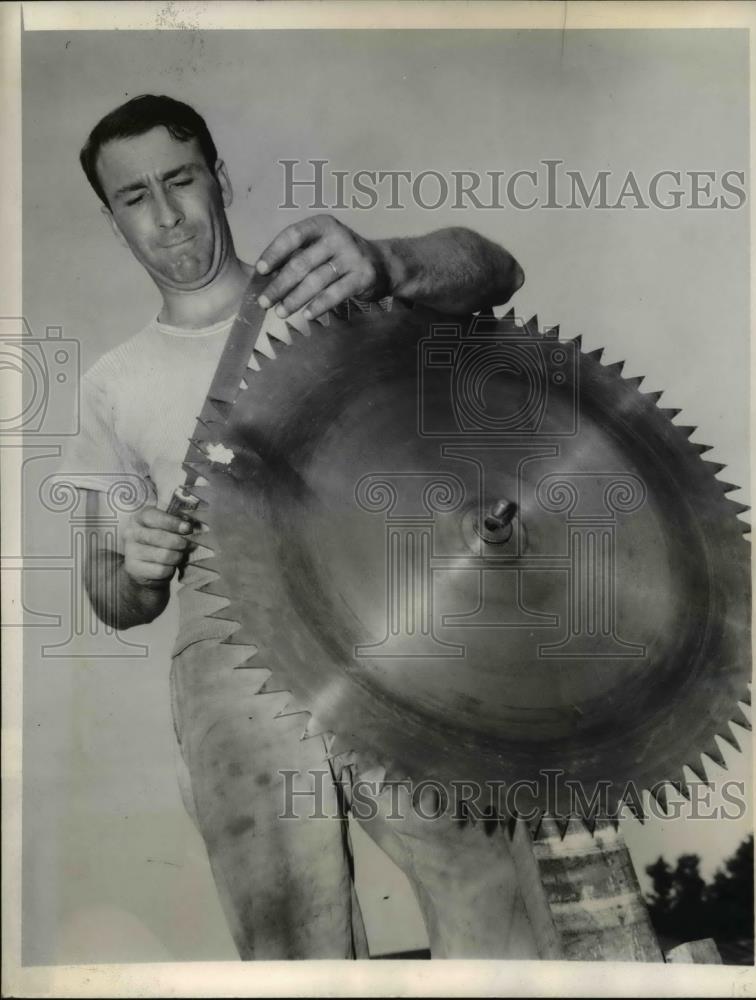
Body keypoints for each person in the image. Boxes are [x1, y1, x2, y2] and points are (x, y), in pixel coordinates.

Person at [64, 94, 535, 959]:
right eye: (135, 198)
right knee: (290, 945)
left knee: (489, 892)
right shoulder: (109, 384)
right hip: (225, 650)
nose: (167, 216)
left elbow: (496, 270)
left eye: (181, 181)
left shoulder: (333, 285)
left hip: (384, 614)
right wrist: (132, 565)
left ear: (221, 180)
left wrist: (388, 259)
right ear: (112, 218)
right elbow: (109, 594)